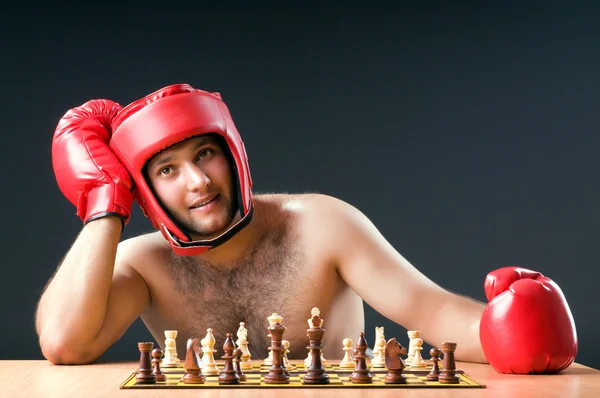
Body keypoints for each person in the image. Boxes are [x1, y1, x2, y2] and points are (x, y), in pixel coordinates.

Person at [36, 84, 578, 374]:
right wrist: (104, 201)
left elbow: (428, 309)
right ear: (144, 189)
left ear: (234, 154)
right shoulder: (142, 262)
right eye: (167, 170)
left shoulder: (322, 223)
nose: (198, 181)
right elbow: (65, 343)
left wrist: (510, 331)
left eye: (206, 153)